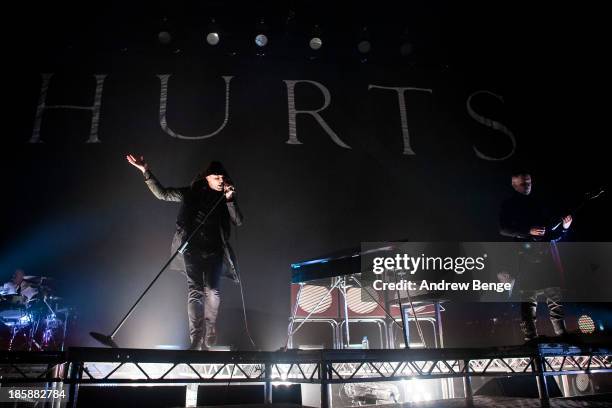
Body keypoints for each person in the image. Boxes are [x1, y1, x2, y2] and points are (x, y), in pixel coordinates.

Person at [127, 154, 243, 350]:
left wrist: (230, 199)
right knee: (195, 292)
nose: (220, 181)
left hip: (215, 252)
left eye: (222, 178)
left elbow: (238, 221)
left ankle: (211, 327)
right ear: (206, 177)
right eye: (216, 177)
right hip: (192, 251)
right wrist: (145, 171)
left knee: (213, 291)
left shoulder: (225, 197)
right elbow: (163, 194)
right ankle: (196, 338)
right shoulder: (190, 193)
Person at [499, 171, 572, 342]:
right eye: (523, 183)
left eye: (529, 182)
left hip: (544, 256)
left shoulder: (539, 203)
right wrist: (527, 231)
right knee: (529, 299)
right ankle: (531, 337)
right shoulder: (509, 204)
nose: (527, 186)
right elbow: (503, 229)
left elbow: (551, 234)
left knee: (554, 297)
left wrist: (565, 227)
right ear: (514, 185)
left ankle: (562, 333)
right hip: (525, 257)